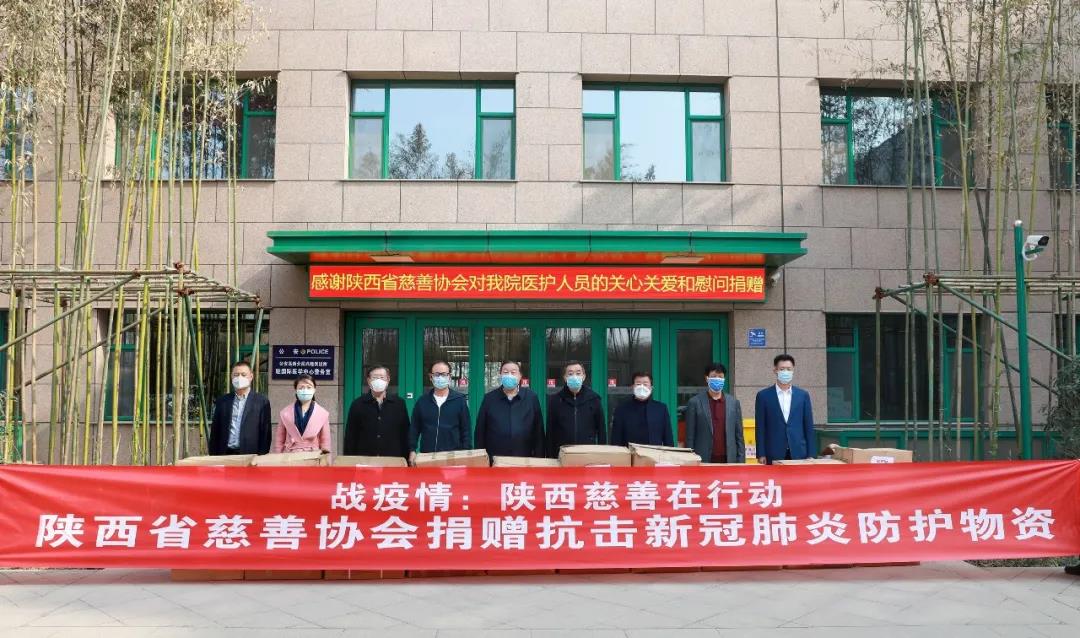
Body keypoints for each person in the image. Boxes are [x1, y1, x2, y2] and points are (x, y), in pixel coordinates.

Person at [475, 361, 545, 459]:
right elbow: (480, 432)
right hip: (495, 458)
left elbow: (538, 431)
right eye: (505, 372)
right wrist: (481, 458)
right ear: (500, 375)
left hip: (524, 458)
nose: (509, 375)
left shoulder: (531, 398)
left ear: (520, 376)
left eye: (513, 372)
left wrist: (539, 458)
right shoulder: (489, 399)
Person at [408, 359, 471, 464]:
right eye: (437, 374)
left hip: (452, 457)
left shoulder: (459, 400)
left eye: (444, 374)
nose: (440, 377)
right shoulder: (422, 401)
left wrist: (465, 453)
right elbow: (414, 428)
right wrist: (412, 450)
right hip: (427, 456)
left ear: (449, 377)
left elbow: (466, 430)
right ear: (430, 377)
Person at [755, 354, 815, 464]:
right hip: (773, 452)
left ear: (793, 370)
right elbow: (760, 427)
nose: (785, 372)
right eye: (782, 369)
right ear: (775, 370)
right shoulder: (763, 396)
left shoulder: (803, 395)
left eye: (788, 369)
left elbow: (808, 426)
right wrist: (761, 453)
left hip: (799, 452)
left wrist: (811, 453)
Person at [343, 365, 410, 459]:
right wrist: (349, 460)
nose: (379, 380)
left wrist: (406, 458)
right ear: (368, 380)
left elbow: (405, 433)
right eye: (375, 377)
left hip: (393, 459)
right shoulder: (358, 404)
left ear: (388, 380)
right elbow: (351, 436)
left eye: (382, 377)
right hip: (365, 459)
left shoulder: (399, 404)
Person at [208, 360, 272, 455]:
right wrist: (213, 454)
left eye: (243, 374)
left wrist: (261, 455)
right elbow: (215, 430)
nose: (239, 378)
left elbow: (265, 433)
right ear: (231, 377)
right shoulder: (223, 401)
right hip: (225, 453)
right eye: (236, 375)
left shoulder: (261, 402)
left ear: (251, 376)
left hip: (250, 454)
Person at [685, 362, 745, 463]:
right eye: (713, 376)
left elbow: (739, 436)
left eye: (720, 377)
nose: (717, 379)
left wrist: (741, 461)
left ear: (724, 379)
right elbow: (690, 436)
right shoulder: (695, 402)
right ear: (707, 378)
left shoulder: (733, 403)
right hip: (703, 460)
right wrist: (690, 460)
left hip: (729, 460)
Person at [546, 360, 605, 457]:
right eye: (570, 374)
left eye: (578, 373)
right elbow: (550, 433)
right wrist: (550, 457)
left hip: (588, 455)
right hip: (563, 455)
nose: (574, 376)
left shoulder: (594, 399)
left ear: (584, 376)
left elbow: (601, 431)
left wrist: (601, 456)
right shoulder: (556, 401)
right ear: (565, 377)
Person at [272, 374, 333, 459]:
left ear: (314, 390)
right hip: (290, 458)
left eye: (309, 387)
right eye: (301, 387)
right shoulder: (285, 413)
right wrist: (277, 460)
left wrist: (326, 462)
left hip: (313, 458)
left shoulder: (322, 413)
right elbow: (279, 441)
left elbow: (325, 442)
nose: (305, 390)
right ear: (296, 390)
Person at [610, 372, 673, 447]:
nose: (642, 387)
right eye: (638, 384)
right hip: (630, 453)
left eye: (645, 384)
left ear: (651, 387)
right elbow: (616, 439)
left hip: (654, 453)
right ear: (633, 387)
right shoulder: (621, 410)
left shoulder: (661, 409)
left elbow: (668, 438)